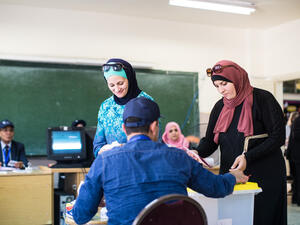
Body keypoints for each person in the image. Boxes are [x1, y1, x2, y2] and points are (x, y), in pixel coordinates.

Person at [72, 97, 248, 225]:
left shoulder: (105, 161)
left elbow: (80, 216)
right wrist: (233, 176)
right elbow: (216, 187)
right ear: (155, 126)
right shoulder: (179, 157)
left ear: (125, 128)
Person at [195, 60, 287, 225]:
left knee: (263, 217)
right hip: (233, 176)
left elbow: (278, 136)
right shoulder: (219, 107)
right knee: (234, 217)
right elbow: (210, 141)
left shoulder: (263, 99)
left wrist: (248, 156)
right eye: (216, 86)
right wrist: (197, 152)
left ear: (237, 79)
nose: (221, 90)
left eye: (224, 84)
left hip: (265, 175)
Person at [93, 58, 154, 157]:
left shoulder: (146, 102)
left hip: (140, 166)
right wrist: (100, 151)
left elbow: (154, 142)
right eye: (111, 85)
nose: (117, 89)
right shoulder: (106, 106)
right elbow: (97, 146)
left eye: (120, 83)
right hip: (112, 165)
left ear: (129, 78)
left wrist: (122, 148)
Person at [286, 115, 300, 205]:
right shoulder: (298, 121)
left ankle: (296, 199)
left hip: (294, 155)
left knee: (297, 179)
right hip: (297, 156)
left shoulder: (297, 120)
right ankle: (298, 200)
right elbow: (296, 136)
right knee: (298, 179)